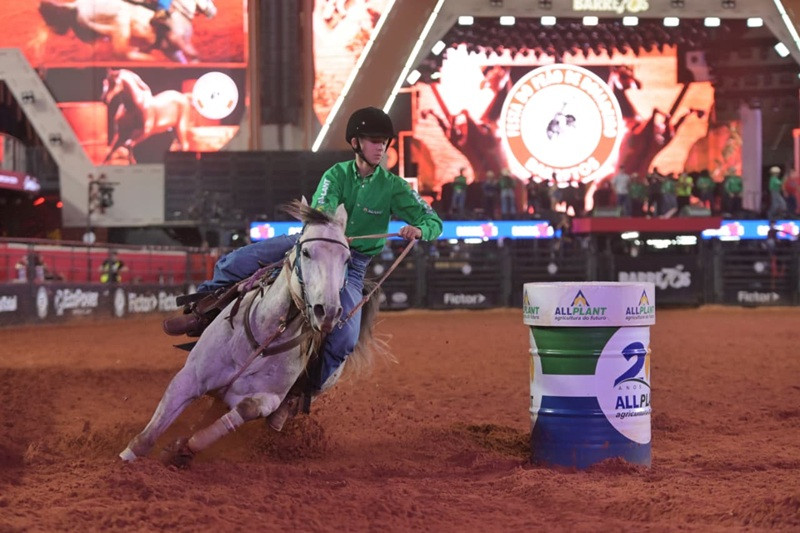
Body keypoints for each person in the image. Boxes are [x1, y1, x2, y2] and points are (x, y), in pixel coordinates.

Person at [163, 107, 443, 428]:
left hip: (351, 265)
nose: (381, 147)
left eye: (384, 142)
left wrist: (420, 229)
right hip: (310, 245)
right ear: (356, 142)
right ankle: (202, 309)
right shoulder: (335, 176)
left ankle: (296, 394)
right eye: (374, 141)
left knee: (344, 338)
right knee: (235, 261)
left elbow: (431, 219)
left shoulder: (394, 187)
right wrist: (330, 237)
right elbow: (322, 211)